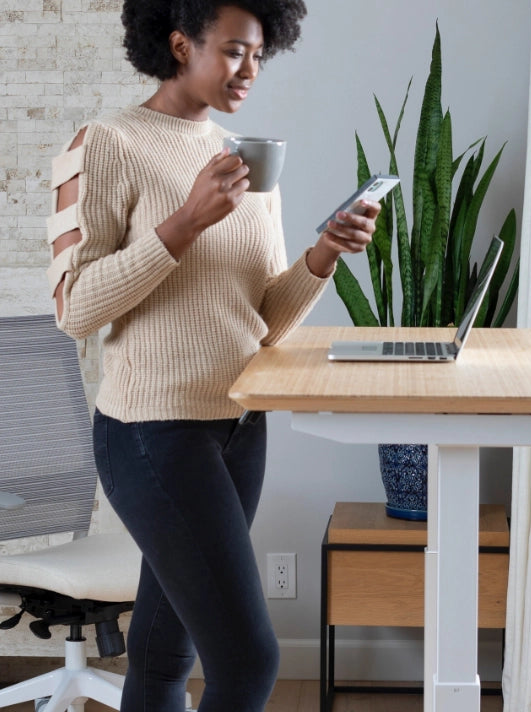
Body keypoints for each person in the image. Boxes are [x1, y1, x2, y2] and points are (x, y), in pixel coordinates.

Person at [46, 2, 380, 710]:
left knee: (167, 658)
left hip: (237, 428)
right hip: (151, 435)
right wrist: (184, 222)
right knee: (250, 661)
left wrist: (325, 253)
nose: (249, 70)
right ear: (179, 43)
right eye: (234, 51)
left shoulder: (246, 158)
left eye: (259, 54)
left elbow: (260, 318)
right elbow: (75, 308)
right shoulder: (108, 143)